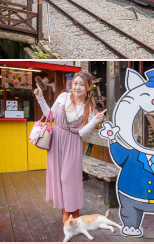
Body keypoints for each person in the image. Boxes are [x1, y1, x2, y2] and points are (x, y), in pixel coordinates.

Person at [33, 71, 106, 225]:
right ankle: (67, 207)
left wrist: (94, 120)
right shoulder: (63, 97)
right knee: (59, 177)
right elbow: (50, 116)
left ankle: (70, 211)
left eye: (81, 84)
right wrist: (40, 98)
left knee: (69, 178)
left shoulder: (89, 107)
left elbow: (81, 132)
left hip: (73, 143)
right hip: (56, 140)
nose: (77, 87)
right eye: (75, 83)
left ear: (88, 87)